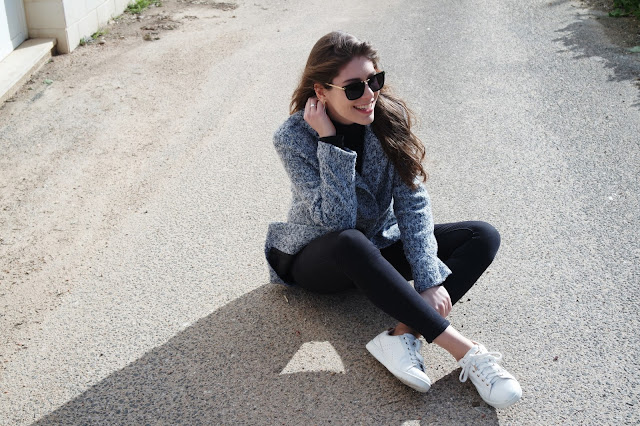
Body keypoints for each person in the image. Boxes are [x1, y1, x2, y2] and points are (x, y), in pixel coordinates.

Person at [264, 31, 521, 409]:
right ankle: (465, 351)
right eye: (354, 88)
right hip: (320, 257)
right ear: (321, 91)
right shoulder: (293, 137)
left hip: (378, 244)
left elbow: (412, 203)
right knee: (350, 240)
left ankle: (401, 336)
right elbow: (337, 221)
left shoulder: (389, 118)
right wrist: (330, 142)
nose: (369, 94)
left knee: (482, 236)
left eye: (374, 80)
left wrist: (429, 278)